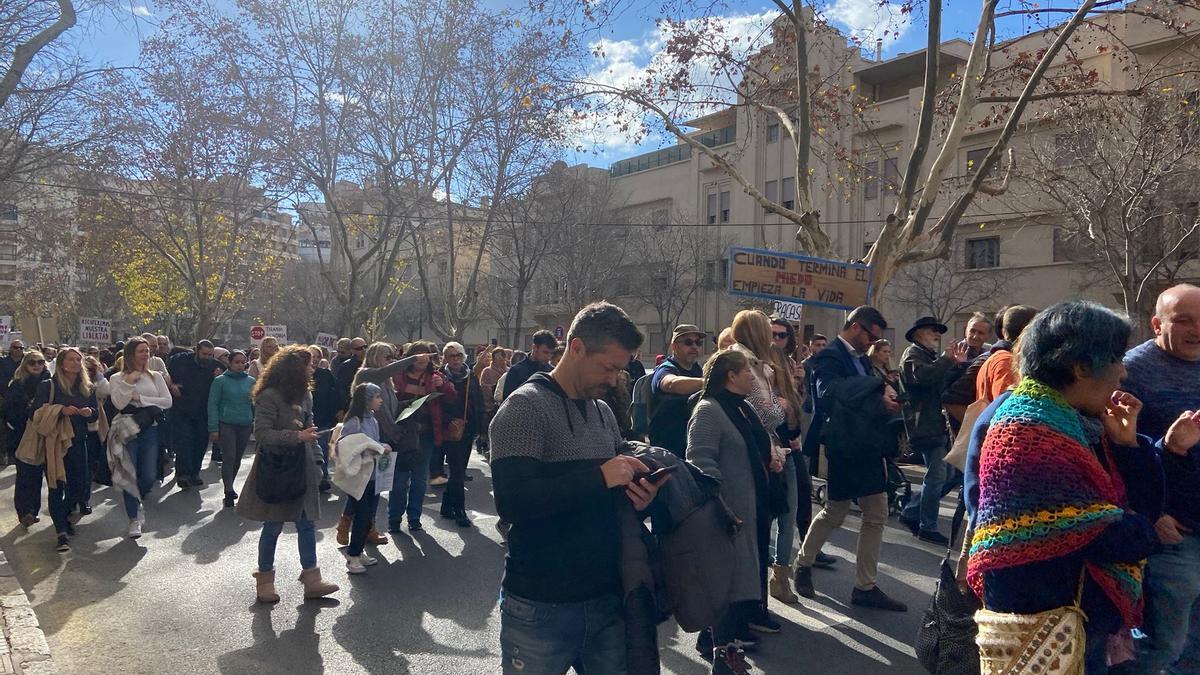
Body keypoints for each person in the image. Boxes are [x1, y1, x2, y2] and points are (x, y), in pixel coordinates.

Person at [967, 301, 1164, 674]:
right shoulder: (1029, 429)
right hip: (1047, 624)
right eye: (1116, 358)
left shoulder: (1080, 422)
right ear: (1080, 365)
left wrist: (1126, 445)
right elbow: (1100, 532)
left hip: (1078, 619)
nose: (1123, 373)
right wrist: (1143, 531)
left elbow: (1141, 509)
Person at [491, 301, 666, 675]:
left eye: (619, 370)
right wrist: (601, 476)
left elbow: (608, 496)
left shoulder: (602, 411)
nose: (613, 378)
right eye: (609, 367)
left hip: (605, 599)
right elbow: (513, 503)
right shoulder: (522, 408)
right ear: (576, 348)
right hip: (540, 606)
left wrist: (640, 497)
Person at [794, 306, 908, 612]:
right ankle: (803, 563)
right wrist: (877, 386)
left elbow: (863, 400)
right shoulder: (830, 356)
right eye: (871, 336)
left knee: (877, 514)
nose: (873, 344)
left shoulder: (862, 360)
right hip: (844, 446)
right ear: (857, 327)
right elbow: (831, 392)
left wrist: (885, 403)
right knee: (835, 511)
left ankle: (865, 586)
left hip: (868, 445)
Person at [1122, 284, 1200, 674]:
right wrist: (1146, 511)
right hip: (1171, 533)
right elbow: (1116, 452)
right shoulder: (1130, 371)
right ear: (1157, 324)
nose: (1196, 329)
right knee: (1160, 645)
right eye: (1183, 320)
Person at [687, 349, 773, 674]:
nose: (752, 376)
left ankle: (722, 646)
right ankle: (722, 654)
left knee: (739, 582)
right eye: (747, 371)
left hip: (749, 509)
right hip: (726, 513)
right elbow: (699, 460)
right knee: (726, 583)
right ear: (730, 376)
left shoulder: (743, 407)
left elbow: (768, 430)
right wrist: (719, 505)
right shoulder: (709, 410)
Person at [238, 346, 338, 603]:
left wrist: (318, 463)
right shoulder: (268, 396)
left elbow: (310, 430)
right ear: (293, 368)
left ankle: (312, 579)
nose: (312, 369)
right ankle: (265, 580)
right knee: (272, 526)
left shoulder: (305, 395)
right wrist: (296, 437)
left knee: (307, 524)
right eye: (308, 365)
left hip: (303, 466)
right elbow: (261, 433)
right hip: (276, 467)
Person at [729, 310, 799, 620]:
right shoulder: (747, 365)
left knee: (775, 519)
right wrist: (781, 405)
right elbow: (765, 414)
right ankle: (751, 609)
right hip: (759, 455)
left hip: (769, 451)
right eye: (768, 332)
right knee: (757, 533)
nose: (773, 339)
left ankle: (758, 601)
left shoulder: (759, 365)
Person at [339, 343, 418, 546]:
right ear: (375, 357)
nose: (390, 360)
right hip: (370, 438)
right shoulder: (367, 375)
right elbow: (385, 372)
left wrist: (410, 403)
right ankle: (353, 524)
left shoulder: (386, 383)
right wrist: (412, 358)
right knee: (362, 486)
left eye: (392, 356)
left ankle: (364, 526)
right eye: (387, 356)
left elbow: (389, 408)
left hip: (385, 440)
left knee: (375, 487)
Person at [898, 317, 968, 544]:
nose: (937, 335)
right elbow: (922, 377)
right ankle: (926, 525)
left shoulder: (928, 357)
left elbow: (941, 381)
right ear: (918, 333)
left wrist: (957, 365)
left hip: (934, 424)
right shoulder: (913, 354)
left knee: (948, 474)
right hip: (924, 424)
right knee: (938, 474)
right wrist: (947, 360)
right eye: (932, 331)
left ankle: (912, 511)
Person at [32, 348, 97, 552]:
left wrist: (89, 412)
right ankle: (61, 532)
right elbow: (35, 414)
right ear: (61, 363)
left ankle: (65, 515)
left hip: (78, 441)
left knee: (79, 486)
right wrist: (61, 410)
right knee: (55, 485)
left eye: (79, 359)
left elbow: (95, 415)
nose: (76, 363)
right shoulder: (48, 386)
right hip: (55, 442)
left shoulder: (87, 388)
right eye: (71, 359)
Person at [108, 338, 174, 538]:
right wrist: (129, 383)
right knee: (130, 474)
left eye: (147, 351)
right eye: (141, 351)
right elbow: (119, 403)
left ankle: (140, 494)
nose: (146, 354)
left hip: (150, 428)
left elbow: (167, 401)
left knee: (148, 475)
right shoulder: (117, 378)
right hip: (127, 429)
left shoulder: (156, 377)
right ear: (130, 354)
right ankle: (134, 518)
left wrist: (141, 399)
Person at [390, 341, 455, 532]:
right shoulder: (398, 376)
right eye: (418, 355)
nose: (423, 358)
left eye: (427, 355)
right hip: (402, 435)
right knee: (400, 481)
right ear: (410, 357)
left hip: (426, 435)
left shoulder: (435, 376)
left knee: (419, 480)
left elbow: (452, 397)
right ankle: (394, 518)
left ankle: (414, 518)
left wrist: (443, 386)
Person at [339, 383, 389, 574]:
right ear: (367, 400)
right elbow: (347, 446)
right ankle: (352, 556)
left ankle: (359, 551)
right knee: (361, 516)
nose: (380, 400)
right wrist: (375, 448)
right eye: (377, 397)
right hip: (358, 476)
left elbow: (373, 442)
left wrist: (382, 446)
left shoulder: (373, 420)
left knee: (368, 516)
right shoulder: (354, 421)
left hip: (373, 474)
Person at [437, 342, 484, 527]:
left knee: (459, 468)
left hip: (468, 428)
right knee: (457, 471)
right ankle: (460, 510)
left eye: (457, 355)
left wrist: (481, 428)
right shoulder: (440, 376)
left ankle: (446, 505)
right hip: (450, 428)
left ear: (463, 356)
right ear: (445, 358)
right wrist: (448, 420)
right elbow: (436, 404)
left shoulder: (470, 375)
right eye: (450, 356)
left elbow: (478, 399)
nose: (455, 359)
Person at [168, 340, 220, 488]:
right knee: (184, 442)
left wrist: (219, 376)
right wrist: (172, 386)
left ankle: (194, 473)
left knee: (200, 442)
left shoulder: (215, 366)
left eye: (210, 355)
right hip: (182, 409)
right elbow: (164, 375)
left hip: (203, 411)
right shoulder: (179, 360)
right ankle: (183, 474)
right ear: (196, 350)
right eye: (204, 354)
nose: (207, 357)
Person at [648, 325, 705, 458]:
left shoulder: (697, 370)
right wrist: (708, 382)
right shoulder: (665, 368)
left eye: (698, 342)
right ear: (674, 346)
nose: (694, 347)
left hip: (691, 445)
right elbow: (670, 383)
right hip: (667, 449)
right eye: (688, 342)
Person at [6, 349, 49, 528]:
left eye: (40, 362)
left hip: (45, 434)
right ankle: (25, 511)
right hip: (23, 435)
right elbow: (9, 410)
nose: (37, 366)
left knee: (40, 474)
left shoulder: (50, 384)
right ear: (25, 365)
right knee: (25, 474)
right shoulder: (16, 385)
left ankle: (34, 509)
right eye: (32, 362)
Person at [208, 350, 255, 508]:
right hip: (226, 423)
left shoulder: (251, 381)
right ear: (230, 362)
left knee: (237, 458)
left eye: (243, 362)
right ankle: (228, 490)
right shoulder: (220, 381)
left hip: (245, 424)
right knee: (229, 456)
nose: (240, 365)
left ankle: (231, 483)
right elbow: (213, 404)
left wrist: (255, 422)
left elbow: (254, 404)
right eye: (237, 362)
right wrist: (213, 428)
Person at [976, 305, 1038, 403]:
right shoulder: (1006, 362)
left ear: (1004, 331)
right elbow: (1007, 407)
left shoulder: (1000, 358)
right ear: (1026, 330)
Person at [308, 345, 339, 493]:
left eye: (317, 357)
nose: (314, 360)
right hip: (306, 419)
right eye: (311, 356)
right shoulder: (300, 375)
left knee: (322, 448)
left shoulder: (325, 374)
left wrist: (335, 412)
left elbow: (335, 394)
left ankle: (323, 477)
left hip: (323, 418)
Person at [501, 330, 556, 400]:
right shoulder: (516, 371)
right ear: (534, 348)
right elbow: (508, 400)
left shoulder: (552, 371)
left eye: (551, 353)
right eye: (545, 352)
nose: (549, 357)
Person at [333, 337, 365, 416]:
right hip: (350, 405)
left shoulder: (369, 363)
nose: (363, 350)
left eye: (365, 347)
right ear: (352, 350)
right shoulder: (346, 366)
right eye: (359, 348)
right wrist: (342, 408)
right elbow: (341, 389)